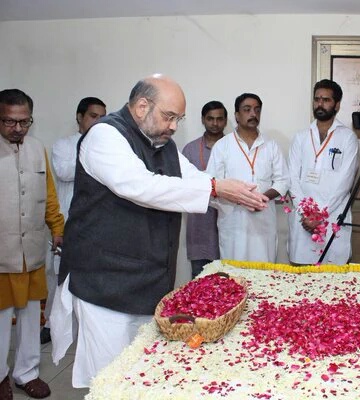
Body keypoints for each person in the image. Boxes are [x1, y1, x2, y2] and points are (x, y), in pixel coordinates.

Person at [54, 74, 268, 388]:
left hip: (149, 279)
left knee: (142, 370)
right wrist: (215, 188)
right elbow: (140, 186)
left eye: (178, 119)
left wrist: (233, 194)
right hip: (105, 281)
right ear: (142, 106)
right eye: (169, 117)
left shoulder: (162, 143)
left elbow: (193, 177)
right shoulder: (105, 135)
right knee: (110, 378)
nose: (173, 127)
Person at [0, 89, 64, 400]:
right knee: (0, 317)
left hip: (32, 249)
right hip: (1, 251)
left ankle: (26, 373)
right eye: (10, 122)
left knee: (29, 314)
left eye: (24, 122)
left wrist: (57, 227)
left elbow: (49, 194)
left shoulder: (38, 149)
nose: (18, 129)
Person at [41, 97, 106, 345]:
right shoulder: (64, 145)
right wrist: (92, 150)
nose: (98, 121)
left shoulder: (108, 145)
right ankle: (51, 324)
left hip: (97, 223)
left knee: (94, 275)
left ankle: (88, 328)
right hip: (69, 221)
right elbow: (66, 172)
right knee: (61, 276)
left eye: (102, 116)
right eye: (93, 116)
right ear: (79, 117)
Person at [207, 93, 289, 262]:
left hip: (264, 222)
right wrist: (241, 199)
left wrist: (261, 198)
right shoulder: (222, 146)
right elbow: (212, 184)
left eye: (257, 110)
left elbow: (283, 180)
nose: (253, 114)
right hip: (234, 222)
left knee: (264, 276)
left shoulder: (271, 146)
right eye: (247, 110)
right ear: (237, 115)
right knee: (234, 275)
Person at [287, 79, 358, 265]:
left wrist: (320, 215)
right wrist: (306, 213)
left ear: (337, 104)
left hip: (333, 215)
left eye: (326, 100)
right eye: (317, 99)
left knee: (334, 281)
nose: (320, 104)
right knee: (302, 277)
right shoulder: (301, 137)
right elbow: (292, 178)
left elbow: (345, 181)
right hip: (304, 219)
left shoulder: (347, 137)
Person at [181, 101, 227, 276]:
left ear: (226, 120)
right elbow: (181, 185)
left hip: (227, 222)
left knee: (230, 283)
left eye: (219, 119)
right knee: (200, 284)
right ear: (202, 120)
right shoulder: (190, 149)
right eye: (210, 119)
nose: (215, 123)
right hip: (199, 226)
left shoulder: (233, 147)